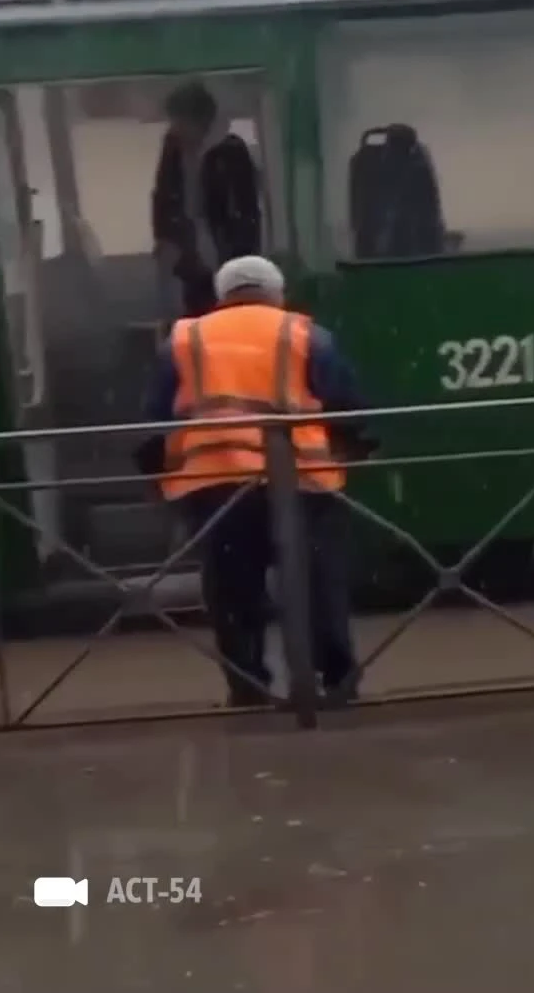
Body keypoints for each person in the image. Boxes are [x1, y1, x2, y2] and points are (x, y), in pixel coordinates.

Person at [138, 255, 374, 709]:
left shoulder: (185, 339)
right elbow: (348, 407)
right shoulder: (305, 334)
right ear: (277, 293)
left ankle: (248, 685)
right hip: (303, 484)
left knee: (232, 590)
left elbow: (153, 420)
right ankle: (336, 681)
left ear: (223, 296)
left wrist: (155, 473)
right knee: (315, 583)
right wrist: (355, 451)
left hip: (216, 484)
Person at [151, 80, 263, 317]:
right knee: (196, 315)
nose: (177, 128)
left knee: (229, 315)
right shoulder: (173, 150)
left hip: (224, 254)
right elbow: (163, 198)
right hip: (189, 258)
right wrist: (167, 239)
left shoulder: (231, 151)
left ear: (201, 120)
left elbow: (246, 211)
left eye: (181, 121)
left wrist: (240, 254)